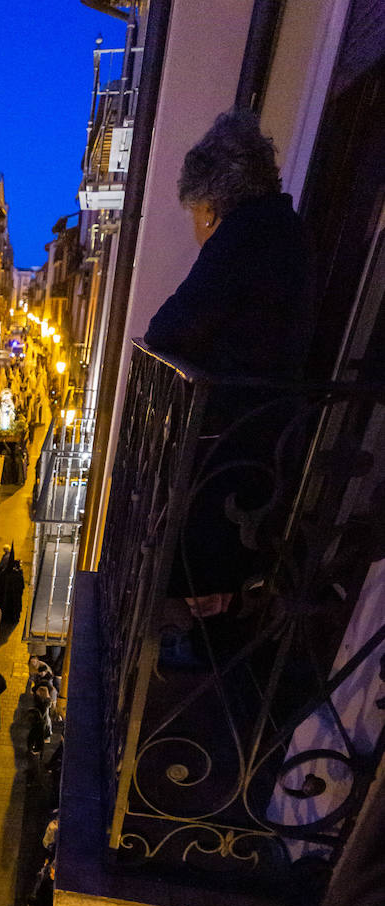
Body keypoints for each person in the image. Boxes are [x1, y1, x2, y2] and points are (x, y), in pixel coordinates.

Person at [144, 109, 315, 619]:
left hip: (234, 428)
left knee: (208, 532)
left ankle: (203, 615)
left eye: (196, 215)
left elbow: (166, 330)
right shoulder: (286, 229)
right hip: (268, 424)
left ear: (212, 206)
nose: (198, 231)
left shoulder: (243, 235)